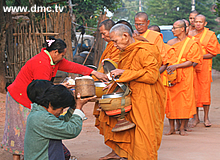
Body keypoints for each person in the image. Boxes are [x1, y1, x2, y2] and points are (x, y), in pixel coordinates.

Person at [1, 36, 108, 160]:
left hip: (32, 97)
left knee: (29, 130)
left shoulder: (52, 59)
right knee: (20, 130)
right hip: (19, 97)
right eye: (62, 55)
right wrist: (65, 92)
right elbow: (44, 90)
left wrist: (93, 72)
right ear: (55, 52)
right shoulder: (42, 64)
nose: (63, 58)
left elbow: (72, 66)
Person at [98, 24, 166, 160]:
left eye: (115, 41)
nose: (114, 45)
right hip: (131, 96)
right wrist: (113, 84)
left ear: (125, 36)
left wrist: (124, 72)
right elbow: (128, 75)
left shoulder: (144, 50)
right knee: (131, 132)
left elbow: (152, 76)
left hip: (146, 97)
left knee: (144, 133)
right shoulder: (126, 51)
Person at [24, 80, 95, 160]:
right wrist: (78, 109)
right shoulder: (40, 117)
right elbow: (71, 130)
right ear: (50, 102)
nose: (62, 112)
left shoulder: (39, 113)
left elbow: (62, 122)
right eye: (61, 109)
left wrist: (74, 107)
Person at [166, 20, 201, 136]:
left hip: (186, 75)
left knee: (184, 101)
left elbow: (192, 61)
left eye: (175, 28)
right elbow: (166, 59)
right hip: (172, 75)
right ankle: (172, 127)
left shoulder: (191, 43)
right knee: (171, 102)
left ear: (182, 29)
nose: (172, 30)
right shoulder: (170, 43)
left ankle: (182, 127)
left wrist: (177, 66)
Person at [189, 14, 219, 127]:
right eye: (196, 21)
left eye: (200, 22)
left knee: (205, 93)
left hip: (205, 67)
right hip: (192, 67)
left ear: (205, 23)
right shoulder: (189, 34)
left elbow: (213, 53)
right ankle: (195, 118)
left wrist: (198, 56)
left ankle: (206, 118)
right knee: (193, 92)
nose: (197, 24)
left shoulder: (210, 35)